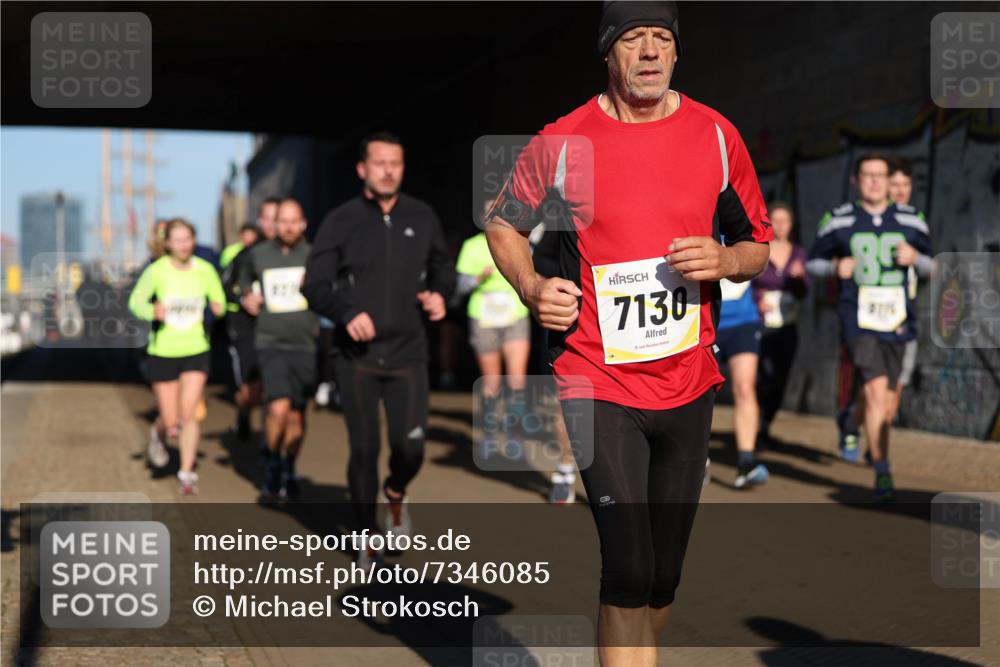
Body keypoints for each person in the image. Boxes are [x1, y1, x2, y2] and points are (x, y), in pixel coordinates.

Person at [485, 3, 772, 664]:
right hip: (596, 378)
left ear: (677, 52)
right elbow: (502, 224)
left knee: (663, 576)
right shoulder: (562, 141)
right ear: (608, 54)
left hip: (688, 381)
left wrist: (726, 260)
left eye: (662, 39)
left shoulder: (717, 136)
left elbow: (758, 243)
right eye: (633, 40)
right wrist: (531, 286)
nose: (649, 52)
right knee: (629, 564)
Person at [302, 131, 456, 567]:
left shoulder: (422, 216)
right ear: (362, 170)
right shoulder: (342, 220)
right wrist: (346, 312)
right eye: (380, 163)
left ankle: (395, 492)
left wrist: (441, 295)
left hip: (409, 353)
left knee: (411, 448)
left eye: (396, 163)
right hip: (358, 358)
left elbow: (442, 268)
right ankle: (366, 535)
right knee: (364, 448)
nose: (388, 170)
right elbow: (313, 284)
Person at [807, 153, 931, 501]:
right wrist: (834, 267)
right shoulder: (838, 220)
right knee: (877, 393)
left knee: (889, 404)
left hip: (898, 320)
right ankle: (883, 471)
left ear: (890, 180)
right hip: (857, 319)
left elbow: (934, 267)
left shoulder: (913, 220)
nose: (875, 182)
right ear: (856, 180)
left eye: (881, 175)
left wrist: (916, 260)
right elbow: (811, 262)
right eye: (868, 175)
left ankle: (852, 422)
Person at [128, 218, 226, 494]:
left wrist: (218, 307)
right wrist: (152, 311)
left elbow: (218, 300)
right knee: (171, 421)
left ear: (194, 241)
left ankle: (186, 472)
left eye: (188, 239)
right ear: (168, 243)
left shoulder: (205, 270)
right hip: (164, 350)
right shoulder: (157, 271)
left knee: (190, 413)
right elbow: (135, 302)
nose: (184, 245)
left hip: (196, 348)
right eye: (178, 239)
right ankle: (158, 435)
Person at [237, 198, 317, 501]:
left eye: (294, 221)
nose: (288, 226)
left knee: (296, 416)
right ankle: (271, 458)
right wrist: (247, 295)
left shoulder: (313, 256)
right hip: (270, 342)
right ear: (273, 224)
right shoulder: (257, 255)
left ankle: (289, 465)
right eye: (282, 220)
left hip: (304, 345)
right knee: (278, 407)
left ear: (303, 223)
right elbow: (241, 281)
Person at [456, 202, 532, 461]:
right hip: (483, 316)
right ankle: (489, 436)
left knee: (517, 381)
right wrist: (477, 279)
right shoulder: (471, 246)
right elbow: (460, 286)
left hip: (514, 316)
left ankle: (515, 437)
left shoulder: (519, 240)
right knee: (492, 383)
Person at [223, 198, 280, 442]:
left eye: (276, 217)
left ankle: (273, 453)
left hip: (279, 332)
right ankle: (243, 411)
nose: (272, 223)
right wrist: (244, 297)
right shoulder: (244, 256)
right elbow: (224, 289)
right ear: (260, 221)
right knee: (252, 392)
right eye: (267, 218)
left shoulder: (298, 254)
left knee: (276, 393)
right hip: (247, 329)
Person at [753, 202, 809, 445]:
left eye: (785, 221)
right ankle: (753, 422)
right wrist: (758, 301)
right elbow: (744, 284)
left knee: (780, 377)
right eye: (775, 220)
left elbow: (804, 292)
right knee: (760, 376)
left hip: (788, 324)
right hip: (760, 322)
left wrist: (799, 279)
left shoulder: (799, 253)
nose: (780, 225)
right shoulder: (758, 251)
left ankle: (765, 424)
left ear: (791, 225)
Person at [716, 267, 769, 489]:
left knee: (745, 388)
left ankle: (746, 462)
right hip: (703, 319)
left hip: (743, 322)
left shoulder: (742, 230)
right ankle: (696, 460)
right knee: (699, 392)